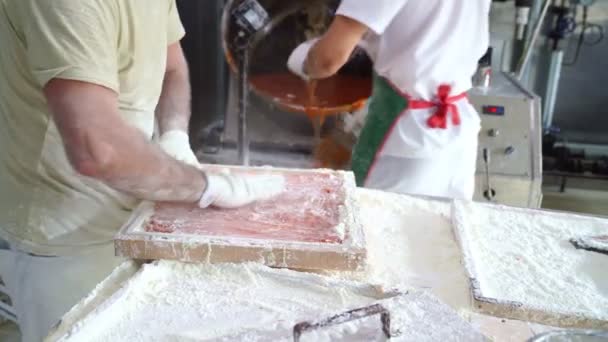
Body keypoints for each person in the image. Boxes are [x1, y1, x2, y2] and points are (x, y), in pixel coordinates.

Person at [0, 1, 283, 340]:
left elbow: (172, 68)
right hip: (64, 237)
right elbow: (97, 149)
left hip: (136, 211)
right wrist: (204, 185)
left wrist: (175, 137)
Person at [288, 0, 491, 200]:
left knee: (372, 226)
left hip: (406, 141)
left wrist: (305, 63)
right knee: (440, 228)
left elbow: (327, 60)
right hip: (457, 136)